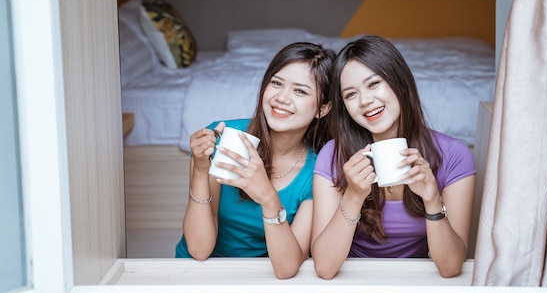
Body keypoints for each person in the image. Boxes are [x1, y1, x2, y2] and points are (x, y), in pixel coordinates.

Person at [311, 35, 475, 279]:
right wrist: (354, 196)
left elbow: (450, 267)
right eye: (351, 94)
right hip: (350, 283)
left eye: (374, 83)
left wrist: (432, 200)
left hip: (417, 284)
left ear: (399, 82)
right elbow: (324, 268)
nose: (365, 101)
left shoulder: (453, 155)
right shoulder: (334, 155)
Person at [175, 42, 335, 279]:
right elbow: (199, 250)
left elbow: (286, 268)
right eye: (276, 83)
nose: (282, 98)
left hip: (260, 277)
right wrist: (200, 168)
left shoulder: (315, 172)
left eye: (300, 91)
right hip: (197, 271)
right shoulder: (223, 139)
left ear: (322, 109)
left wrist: (268, 197)